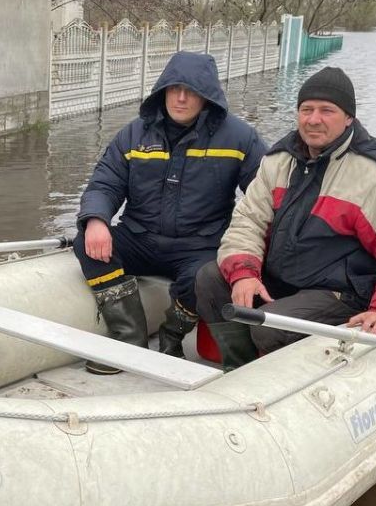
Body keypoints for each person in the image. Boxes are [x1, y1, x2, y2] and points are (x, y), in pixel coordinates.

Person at [195, 67, 376, 370]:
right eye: (306, 109)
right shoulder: (279, 161)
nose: (313, 119)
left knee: (271, 326)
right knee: (210, 279)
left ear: (348, 118)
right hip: (285, 279)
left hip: (341, 292)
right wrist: (244, 273)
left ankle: (278, 377)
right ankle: (238, 369)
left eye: (327, 110)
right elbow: (248, 222)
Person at [74, 52, 266, 374]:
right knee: (85, 242)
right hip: (140, 238)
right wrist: (96, 220)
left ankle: (171, 338)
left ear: (207, 96)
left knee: (206, 276)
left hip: (200, 246)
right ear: (162, 91)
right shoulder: (133, 134)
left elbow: (265, 197)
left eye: (191, 91)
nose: (180, 98)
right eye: (174, 89)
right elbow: (104, 184)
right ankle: (129, 337)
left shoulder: (240, 138)